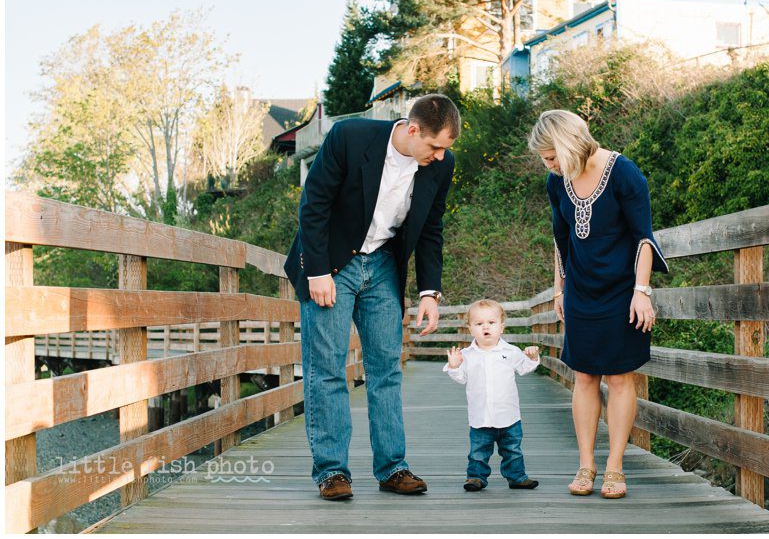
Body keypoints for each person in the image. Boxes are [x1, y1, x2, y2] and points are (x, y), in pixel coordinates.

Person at [283, 94, 460, 501]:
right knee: (327, 368)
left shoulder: (441, 164)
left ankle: (392, 468)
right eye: (434, 146)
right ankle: (332, 472)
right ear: (412, 130)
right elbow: (314, 206)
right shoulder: (350, 137)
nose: (439, 156)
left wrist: (429, 292)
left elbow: (431, 227)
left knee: (386, 369)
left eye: (445, 149)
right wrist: (317, 271)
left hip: (382, 264)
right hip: (332, 261)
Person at [528, 109, 668, 499]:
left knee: (620, 377)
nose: (549, 165)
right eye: (545, 160)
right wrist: (559, 290)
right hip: (581, 292)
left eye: (552, 157)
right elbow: (560, 241)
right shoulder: (557, 184)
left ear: (568, 143)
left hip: (622, 292)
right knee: (584, 375)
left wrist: (642, 291)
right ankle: (586, 465)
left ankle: (615, 467)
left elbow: (645, 238)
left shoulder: (624, 173)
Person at [442, 299, 541, 492]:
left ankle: (517, 477)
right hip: (480, 417)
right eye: (479, 324)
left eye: (491, 323)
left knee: (512, 450)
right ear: (471, 329)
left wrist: (531, 357)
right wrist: (454, 366)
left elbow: (524, 368)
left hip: (508, 416)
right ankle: (476, 478)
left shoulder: (510, 351)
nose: (485, 327)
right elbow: (461, 378)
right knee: (478, 452)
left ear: (501, 327)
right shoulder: (467, 355)